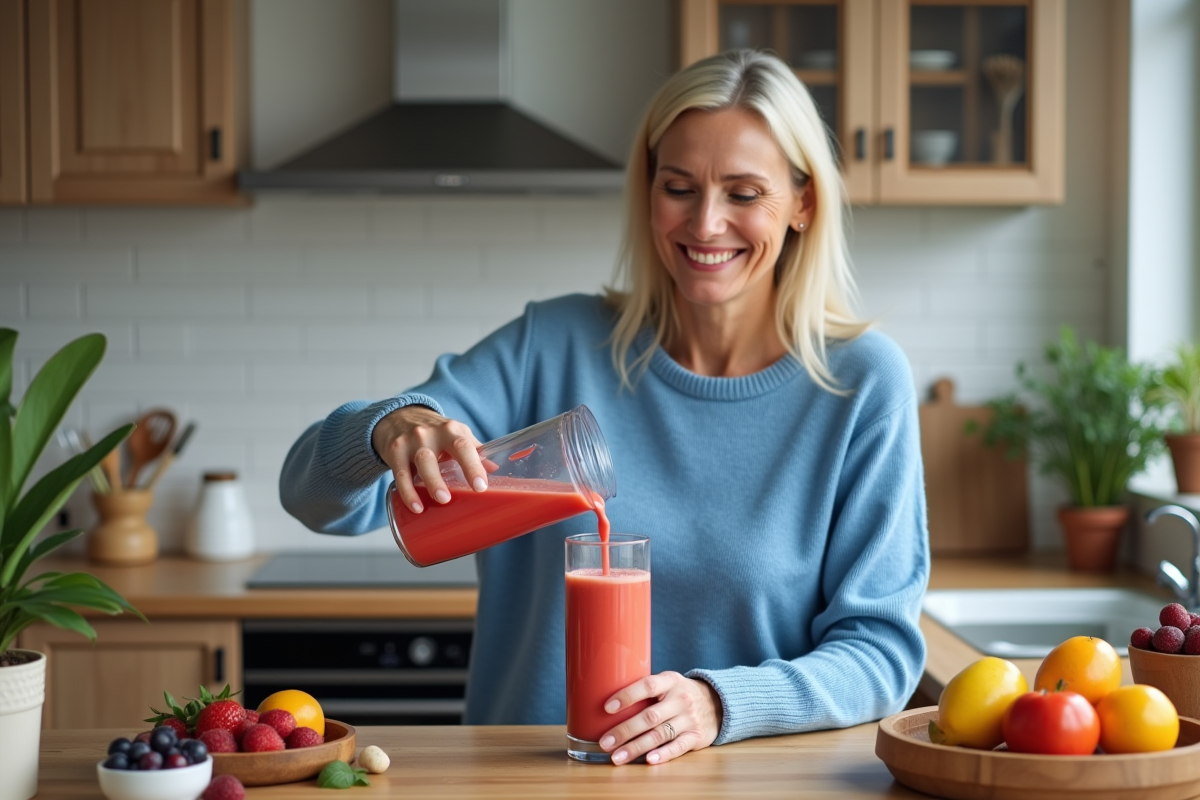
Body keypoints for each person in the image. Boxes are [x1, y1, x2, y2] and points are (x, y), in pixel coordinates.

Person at [280, 49, 929, 767]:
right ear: (648, 191)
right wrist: (385, 429)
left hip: (740, 783)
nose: (706, 223)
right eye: (679, 186)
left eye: (744, 194)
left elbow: (881, 653)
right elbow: (314, 498)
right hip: (526, 783)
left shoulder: (862, 385)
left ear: (803, 203)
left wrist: (721, 703)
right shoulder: (551, 346)